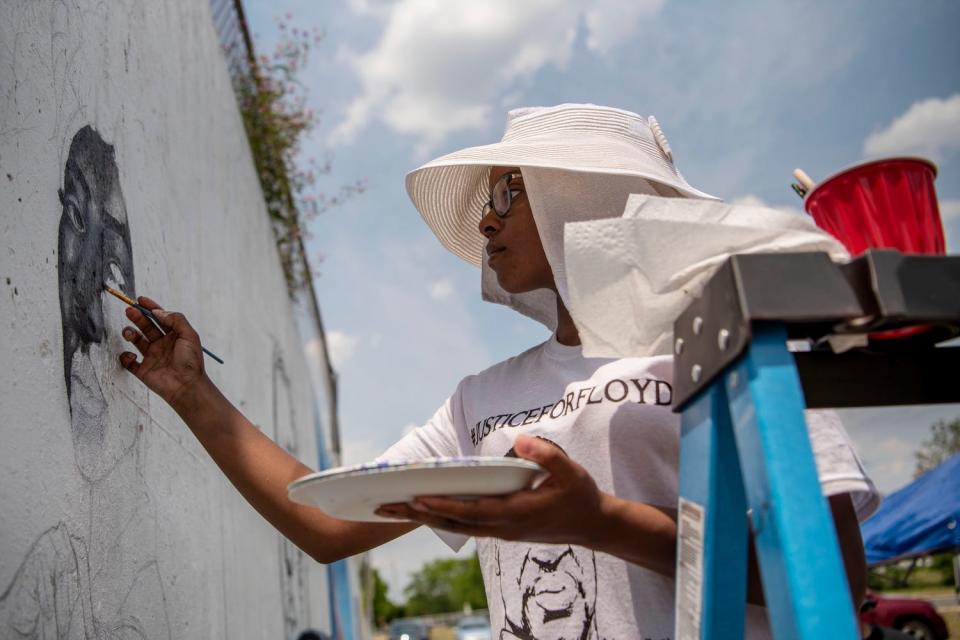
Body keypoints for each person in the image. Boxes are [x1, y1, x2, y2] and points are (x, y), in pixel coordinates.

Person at [116, 104, 878, 638]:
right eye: (489, 199)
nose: (486, 220)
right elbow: (327, 522)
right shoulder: (482, 398)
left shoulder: (733, 340)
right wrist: (191, 391)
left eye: (509, 194)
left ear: (589, 200)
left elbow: (834, 579)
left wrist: (602, 523)